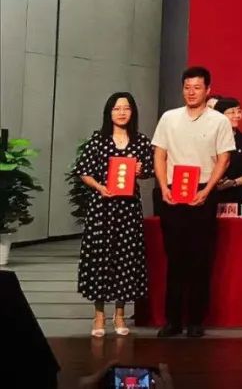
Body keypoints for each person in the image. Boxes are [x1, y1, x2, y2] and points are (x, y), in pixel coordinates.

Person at [151, 66, 234, 338]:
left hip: (203, 192)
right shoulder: (169, 118)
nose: (191, 92)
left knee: (200, 259)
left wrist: (207, 190)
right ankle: (173, 320)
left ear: (208, 90)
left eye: (197, 87)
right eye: (187, 87)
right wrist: (163, 187)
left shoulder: (219, 121)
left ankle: (196, 321)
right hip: (173, 192)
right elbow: (160, 154)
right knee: (175, 259)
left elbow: (224, 159)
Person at [75, 92, 155, 337]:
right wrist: (100, 187)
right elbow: (83, 171)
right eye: (117, 108)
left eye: (126, 108)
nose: (121, 113)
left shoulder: (141, 141)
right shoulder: (98, 140)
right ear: (109, 112)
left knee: (125, 259)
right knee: (99, 259)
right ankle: (99, 314)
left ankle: (119, 314)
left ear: (133, 112)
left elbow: (150, 170)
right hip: (102, 208)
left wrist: (141, 170)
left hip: (128, 209)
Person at [213, 97, 242, 206]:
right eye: (232, 112)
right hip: (212, 197)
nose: (237, 115)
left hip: (239, 198)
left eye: (239, 111)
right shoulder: (210, 139)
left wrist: (233, 183)